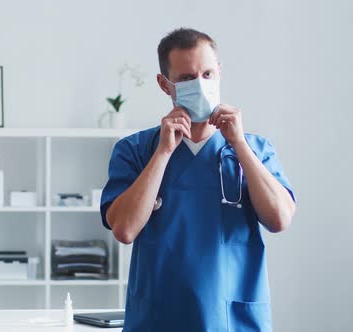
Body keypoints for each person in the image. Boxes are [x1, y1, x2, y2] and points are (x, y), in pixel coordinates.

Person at [100, 28, 296, 331]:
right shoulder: (136, 151)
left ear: (219, 73)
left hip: (234, 320)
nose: (200, 85)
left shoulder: (255, 149)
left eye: (207, 74)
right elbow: (124, 229)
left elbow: (279, 219)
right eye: (187, 78)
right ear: (165, 85)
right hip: (159, 318)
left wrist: (239, 145)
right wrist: (164, 152)